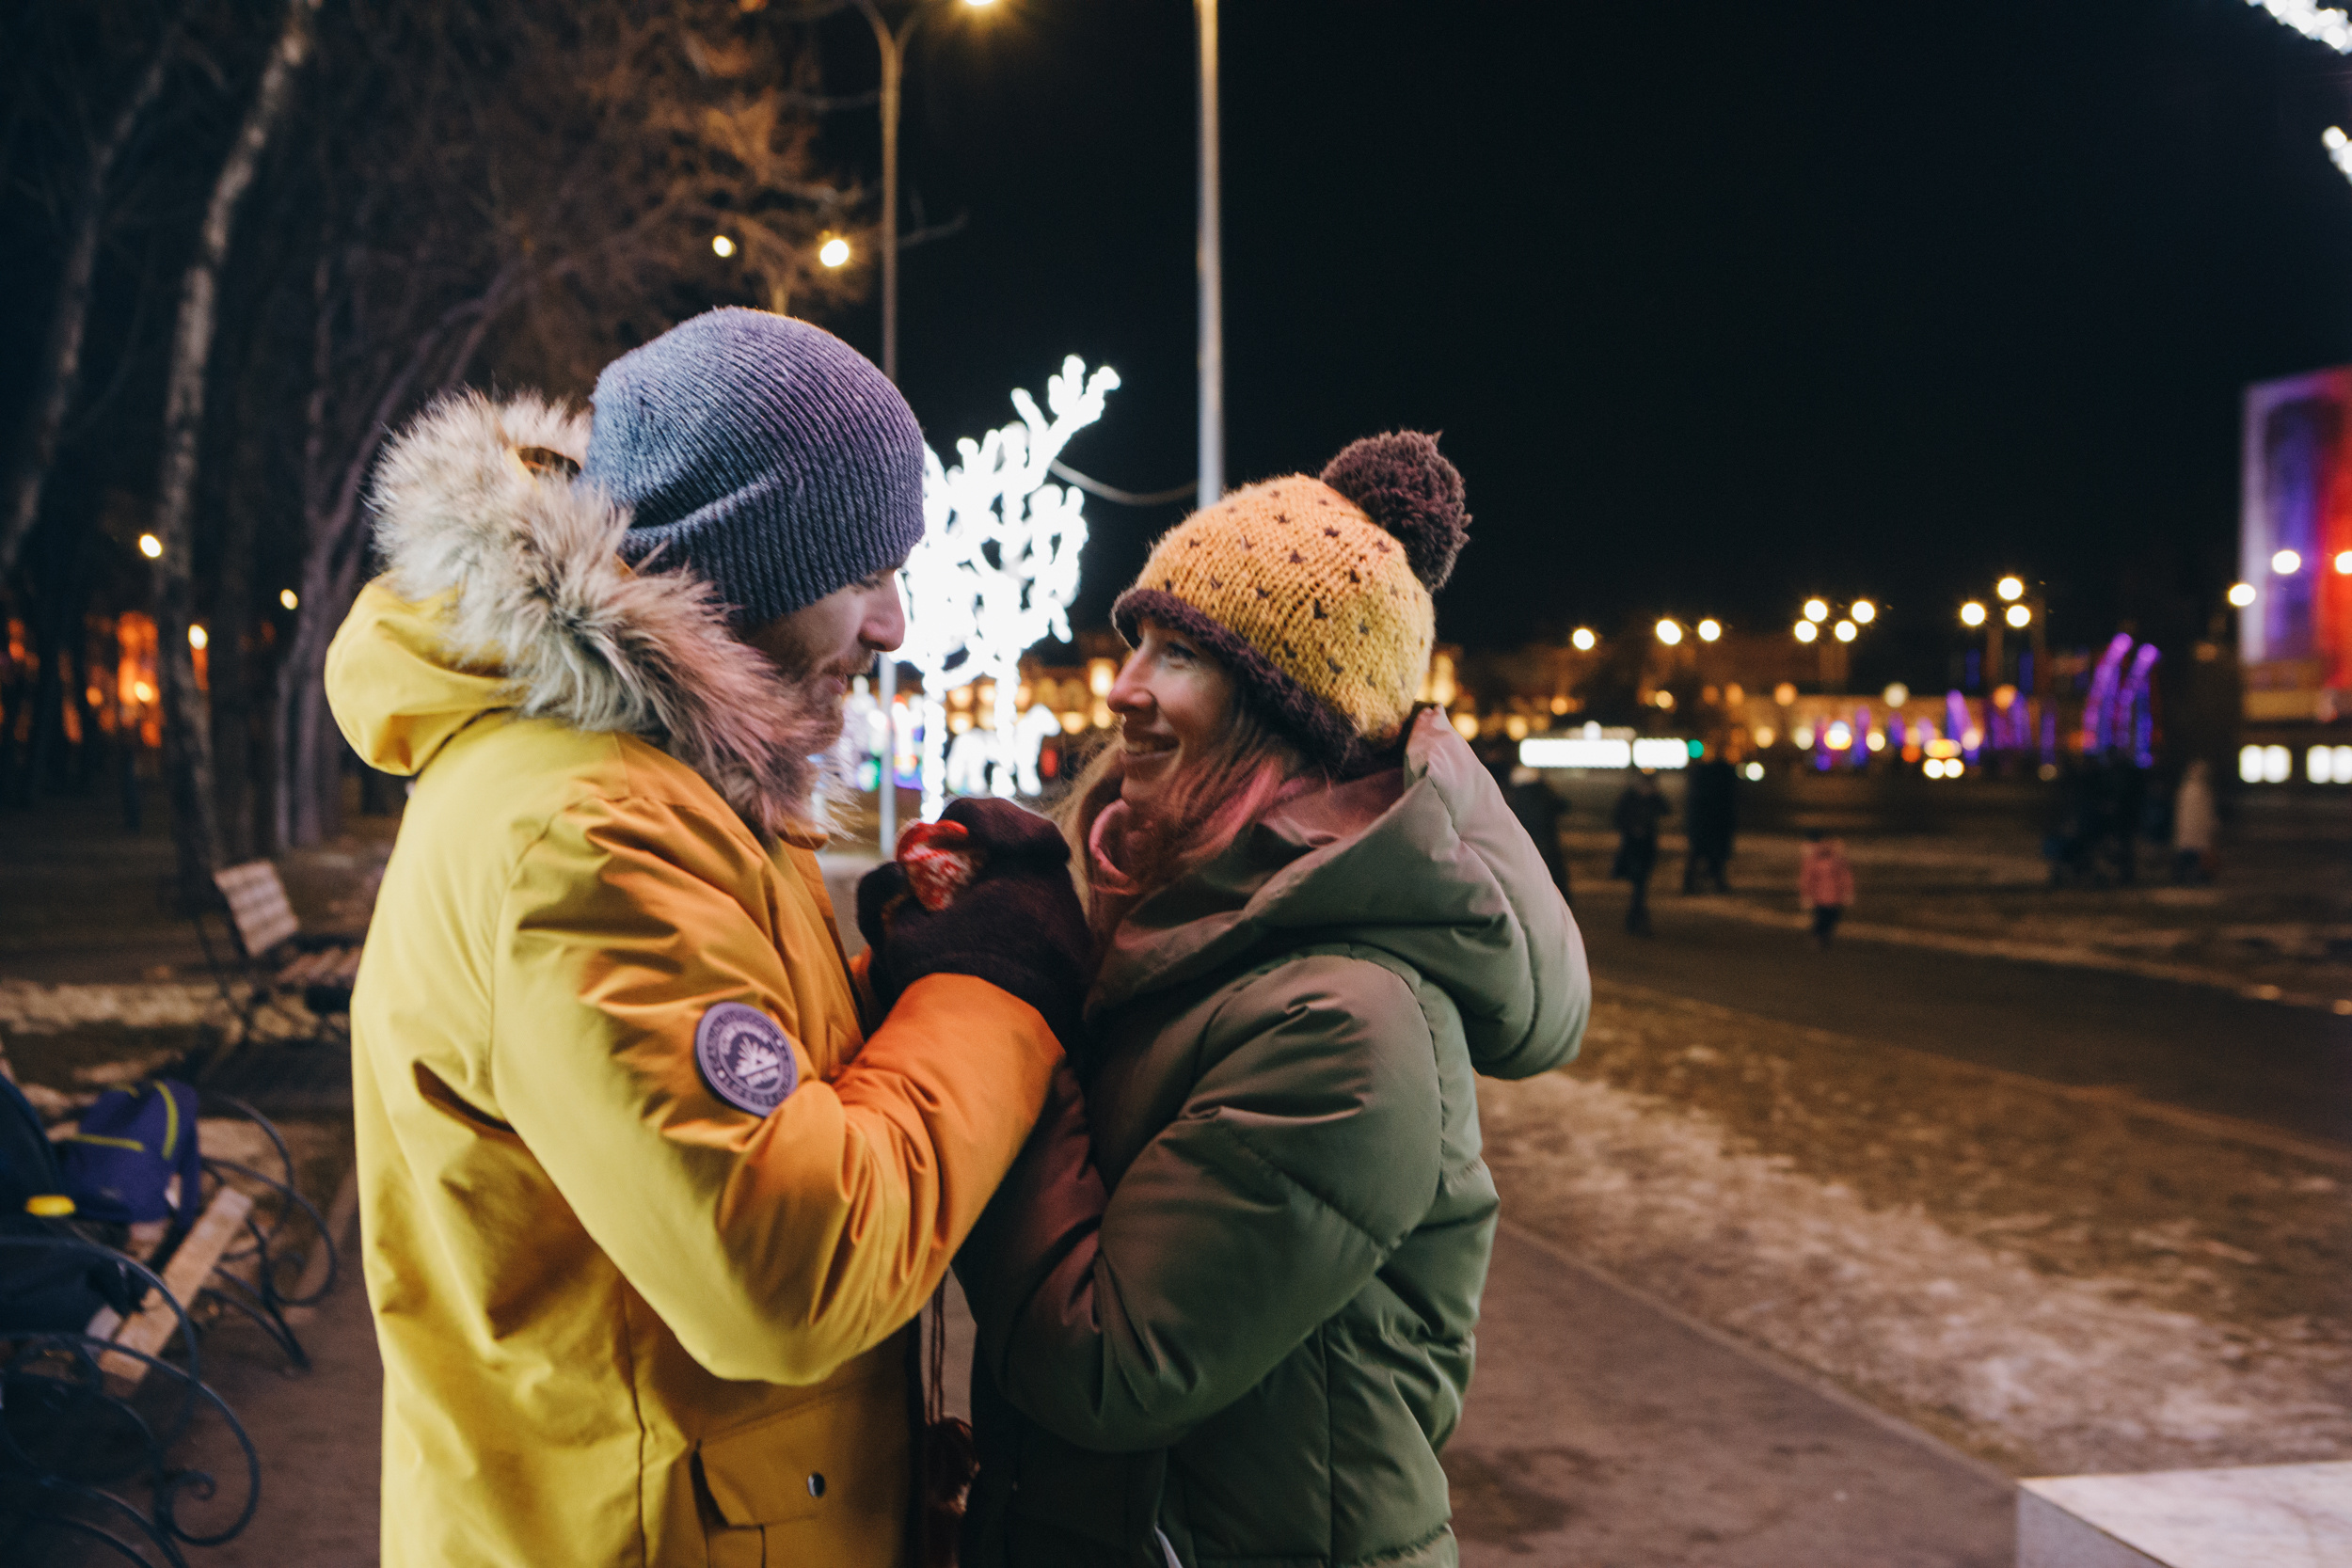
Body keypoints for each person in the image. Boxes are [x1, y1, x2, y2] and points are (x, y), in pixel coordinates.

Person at [324, 309, 1082, 1567]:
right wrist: (989, 991)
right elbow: (793, 1273)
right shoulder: (587, 832)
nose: (892, 625)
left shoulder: (673, 783)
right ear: (747, 567)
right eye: (863, 574)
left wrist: (881, 987)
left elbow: (727, 1099)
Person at [866, 433, 1590, 1568]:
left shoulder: (1346, 1025)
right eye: (1138, 639)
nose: (1126, 686)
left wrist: (1010, 1017)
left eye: (1180, 655)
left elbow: (1105, 1365)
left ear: (1284, 713)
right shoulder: (1168, 929)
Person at [1612, 768, 1669, 933]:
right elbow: (1618, 819)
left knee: (1641, 885)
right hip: (1632, 847)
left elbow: (1666, 810)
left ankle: (1636, 918)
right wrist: (1632, 829)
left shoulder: (1652, 798)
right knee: (1639, 885)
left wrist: (1656, 795)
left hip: (1647, 847)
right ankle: (1637, 918)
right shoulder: (1629, 797)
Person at [1682, 749, 1738, 893]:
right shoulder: (1722, 783)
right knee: (1711, 856)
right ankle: (1712, 881)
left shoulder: (1701, 781)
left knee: (1699, 855)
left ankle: (1693, 883)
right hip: (1714, 826)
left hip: (1704, 826)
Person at [1798, 827, 1855, 947]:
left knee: (1831, 917)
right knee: (1822, 917)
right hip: (1820, 895)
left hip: (1834, 894)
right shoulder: (1814, 858)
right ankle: (1819, 937)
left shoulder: (1835, 857)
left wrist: (1848, 892)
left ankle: (1821, 937)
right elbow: (1807, 878)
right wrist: (1806, 894)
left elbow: (1845, 875)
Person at [2172, 757, 2217, 883]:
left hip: (2190, 831)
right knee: (2193, 857)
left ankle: (2186, 878)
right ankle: (2191, 878)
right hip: (2195, 831)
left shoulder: (2186, 789)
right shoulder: (2200, 790)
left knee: (2190, 857)